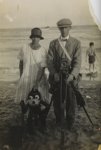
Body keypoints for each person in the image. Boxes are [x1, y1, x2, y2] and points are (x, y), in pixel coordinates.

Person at [47, 18, 81, 129]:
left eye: (66, 27)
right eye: (61, 28)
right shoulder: (53, 43)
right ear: (59, 29)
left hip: (70, 77)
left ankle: (70, 122)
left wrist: (72, 75)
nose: (63, 30)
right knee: (57, 101)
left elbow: (77, 62)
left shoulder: (76, 43)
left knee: (71, 100)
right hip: (57, 77)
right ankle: (59, 121)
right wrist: (54, 73)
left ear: (70, 28)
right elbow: (49, 61)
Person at [15, 28, 49, 110]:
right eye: (33, 37)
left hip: (38, 77)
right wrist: (21, 76)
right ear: (31, 37)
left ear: (40, 38)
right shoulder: (24, 47)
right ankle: (23, 118)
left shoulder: (43, 50)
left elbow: (42, 68)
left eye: (37, 37)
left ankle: (38, 119)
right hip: (26, 76)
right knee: (24, 100)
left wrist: (37, 82)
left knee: (39, 101)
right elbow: (21, 63)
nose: (35, 39)